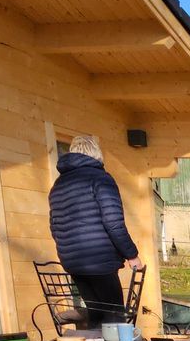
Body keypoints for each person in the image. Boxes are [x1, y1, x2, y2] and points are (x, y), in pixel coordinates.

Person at [47, 136, 141, 326]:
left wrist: (69, 252)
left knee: (96, 312)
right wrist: (131, 254)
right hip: (100, 258)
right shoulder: (100, 179)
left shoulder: (58, 185)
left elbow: (54, 227)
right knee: (114, 314)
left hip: (73, 261)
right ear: (96, 153)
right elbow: (113, 222)